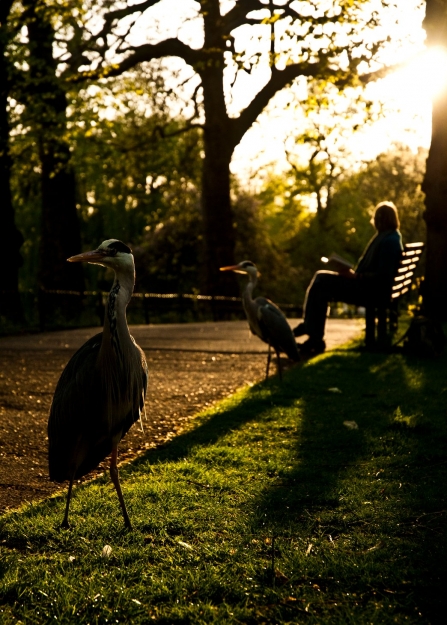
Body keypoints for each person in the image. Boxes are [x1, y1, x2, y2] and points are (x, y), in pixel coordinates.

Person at [293, 201, 403, 355]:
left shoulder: (389, 241)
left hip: (370, 291)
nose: (375, 222)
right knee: (321, 283)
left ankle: (312, 332)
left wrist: (356, 275)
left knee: (321, 280)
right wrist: (349, 272)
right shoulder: (389, 237)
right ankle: (314, 336)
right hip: (368, 287)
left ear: (381, 220)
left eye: (377, 219)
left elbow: (384, 276)